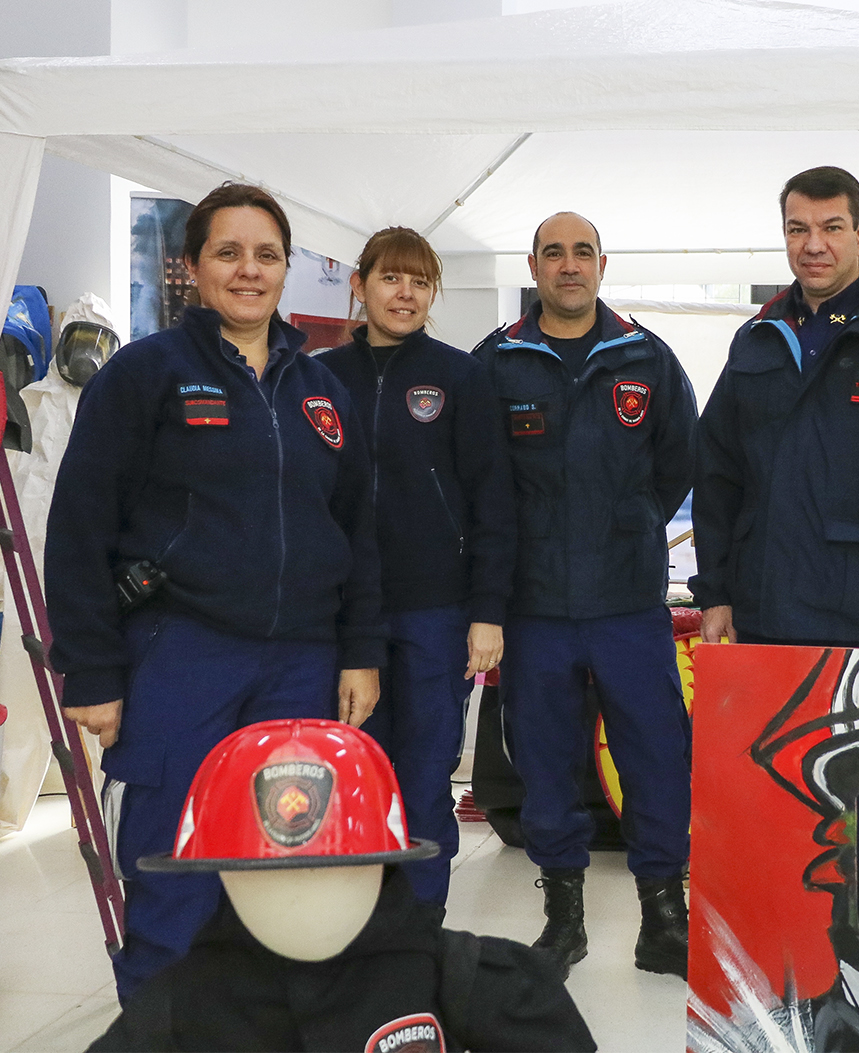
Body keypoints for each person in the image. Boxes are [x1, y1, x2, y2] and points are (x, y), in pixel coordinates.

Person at [45, 182, 385, 1002]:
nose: (248, 270)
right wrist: (90, 671)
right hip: (180, 653)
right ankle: (161, 1029)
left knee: (284, 865)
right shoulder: (144, 375)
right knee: (174, 866)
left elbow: (357, 533)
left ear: (285, 270)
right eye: (228, 252)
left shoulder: (321, 393)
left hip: (301, 663)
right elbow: (80, 526)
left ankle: (262, 1028)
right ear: (193, 268)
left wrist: (360, 652)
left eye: (266, 255)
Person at [690, 166, 859, 957]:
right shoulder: (757, 339)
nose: (814, 245)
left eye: (831, 227)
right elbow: (717, 473)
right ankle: (789, 916)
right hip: (769, 600)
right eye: (798, 229)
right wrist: (715, 590)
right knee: (778, 769)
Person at [472, 211, 696, 979]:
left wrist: (626, 528)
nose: (569, 266)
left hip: (628, 605)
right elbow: (476, 481)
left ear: (604, 263)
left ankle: (665, 921)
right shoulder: (496, 362)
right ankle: (563, 921)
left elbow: (677, 466)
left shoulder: (648, 359)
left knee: (658, 758)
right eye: (554, 252)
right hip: (534, 610)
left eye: (583, 252)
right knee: (544, 762)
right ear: (533, 265)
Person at [91, 718, 595, 1052]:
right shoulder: (176, 1011)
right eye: (266, 876)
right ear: (221, 874)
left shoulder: (471, 982)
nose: (302, 903)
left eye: (335, 871)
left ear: (384, 867)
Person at [317, 227, 514, 908]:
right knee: (354, 775)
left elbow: (493, 499)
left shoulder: (461, 376)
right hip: (343, 615)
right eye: (392, 278)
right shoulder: (318, 377)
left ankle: (419, 935)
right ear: (359, 283)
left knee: (425, 777)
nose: (406, 293)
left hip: (436, 610)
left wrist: (488, 610)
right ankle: (361, 931)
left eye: (420, 281)